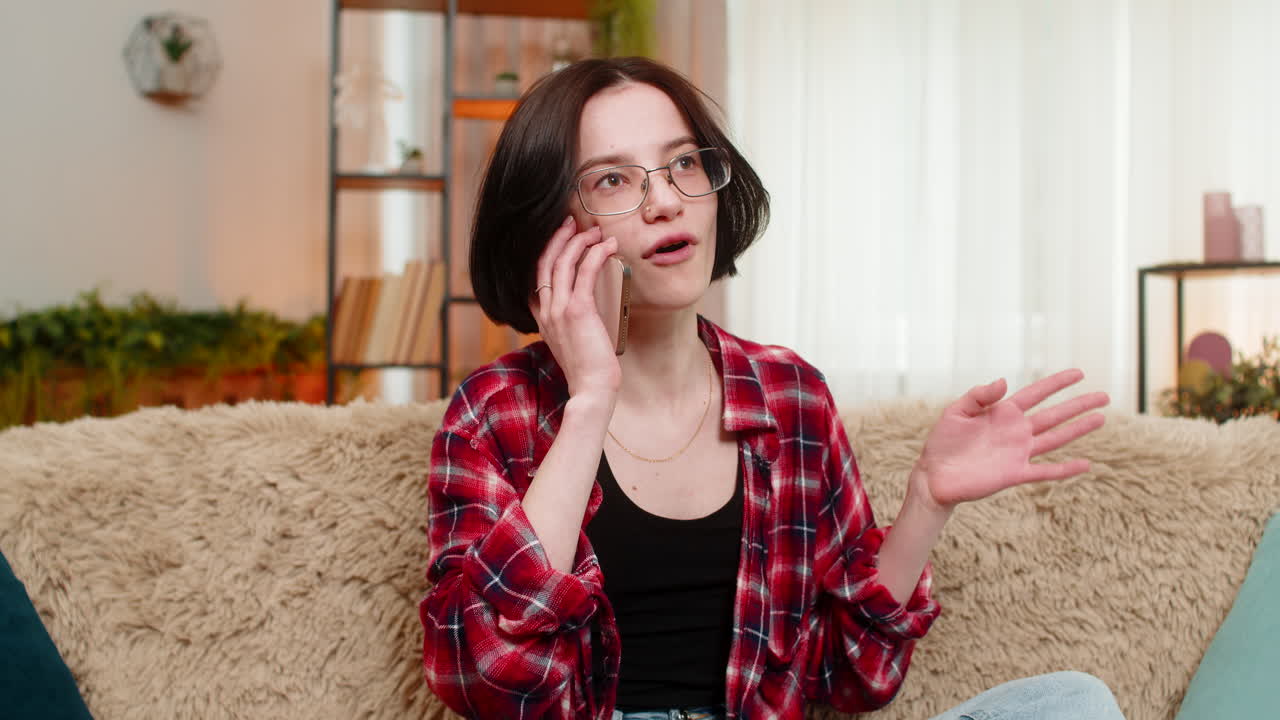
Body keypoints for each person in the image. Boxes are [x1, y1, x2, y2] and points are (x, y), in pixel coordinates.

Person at [418, 57, 1126, 720]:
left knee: (1072, 703)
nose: (665, 200)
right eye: (613, 180)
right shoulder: (495, 410)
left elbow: (853, 677)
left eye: (683, 163)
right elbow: (486, 678)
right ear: (552, 228)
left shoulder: (791, 395)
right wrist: (590, 399)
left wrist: (926, 503)